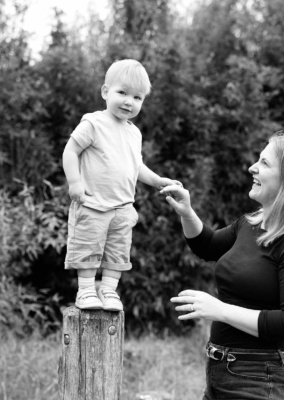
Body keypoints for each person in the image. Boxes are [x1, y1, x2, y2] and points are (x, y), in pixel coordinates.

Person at [163, 132, 284, 400]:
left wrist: (220, 310)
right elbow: (207, 245)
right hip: (222, 371)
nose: (252, 167)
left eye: (265, 163)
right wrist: (187, 212)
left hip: (260, 379)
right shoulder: (252, 223)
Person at [62, 59, 181, 311]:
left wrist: (158, 180)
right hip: (92, 202)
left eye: (137, 97)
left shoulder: (133, 133)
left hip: (123, 207)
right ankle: (85, 291)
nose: (129, 101)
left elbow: (136, 166)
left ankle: (108, 291)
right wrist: (75, 182)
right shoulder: (93, 123)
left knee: (118, 251)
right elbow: (70, 151)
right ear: (106, 92)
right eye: (122, 93)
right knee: (88, 246)